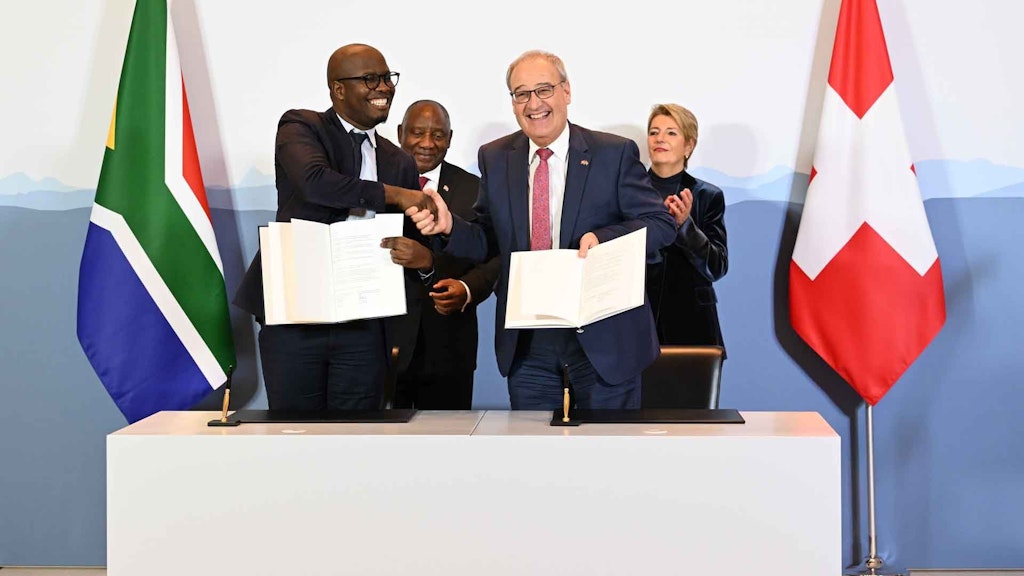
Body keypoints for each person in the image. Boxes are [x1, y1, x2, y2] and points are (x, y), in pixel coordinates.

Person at [409, 50, 677, 410]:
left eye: (544, 89)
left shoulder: (612, 153)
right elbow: (489, 240)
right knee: (534, 461)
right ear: (513, 104)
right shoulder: (496, 156)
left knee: (611, 462)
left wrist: (603, 239)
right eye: (521, 93)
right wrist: (450, 227)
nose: (534, 103)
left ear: (566, 91)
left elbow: (661, 225)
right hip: (529, 343)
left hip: (603, 339)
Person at [233, 43, 436, 411]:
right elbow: (315, 183)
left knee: (355, 442)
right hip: (296, 313)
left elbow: (412, 245)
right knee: (295, 435)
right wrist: (395, 195)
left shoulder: (398, 160)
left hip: (363, 321)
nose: (384, 88)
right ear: (338, 89)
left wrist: (425, 261)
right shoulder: (302, 126)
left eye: (388, 78)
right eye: (370, 79)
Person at [388, 100, 500, 409]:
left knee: (448, 447)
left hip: (450, 346)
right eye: (418, 133)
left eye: (438, 134)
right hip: (385, 345)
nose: (427, 143)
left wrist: (467, 288)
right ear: (400, 133)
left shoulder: (476, 188)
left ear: (450, 139)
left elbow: (494, 254)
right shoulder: (377, 183)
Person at [645, 104, 728, 352]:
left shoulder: (708, 196)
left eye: (671, 132)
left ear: (689, 146)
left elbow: (717, 266)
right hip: (636, 323)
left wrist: (685, 227)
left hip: (692, 326)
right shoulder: (627, 191)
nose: (660, 138)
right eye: (654, 132)